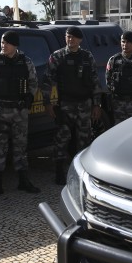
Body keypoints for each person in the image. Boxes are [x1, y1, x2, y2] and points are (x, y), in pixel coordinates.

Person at [0, 30, 40, 199]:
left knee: (21, 145)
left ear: (15, 45)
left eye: (6, 43)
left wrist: (29, 97)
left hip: (20, 111)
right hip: (1, 111)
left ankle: (23, 180)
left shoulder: (26, 62)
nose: (3, 46)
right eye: (2, 43)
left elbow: (34, 81)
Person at [41, 25, 101, 185]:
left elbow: (95, 81)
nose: (70, 39)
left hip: (84, 104)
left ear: (80, 39)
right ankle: (59, 171)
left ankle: (82, 171)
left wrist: (97, 104)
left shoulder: (87, 56)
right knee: (62, 138)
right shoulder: (57, 56)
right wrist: (47, 103)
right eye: (68, 36)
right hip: (65, 104)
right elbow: (47, 81)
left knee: (84, 138)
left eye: (74, 37)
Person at [105, 30, 132, 124]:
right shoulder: (114, 59)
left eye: (129, 42)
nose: (125, 45)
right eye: (123, 42)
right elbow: (108, 79)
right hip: (118, 103)